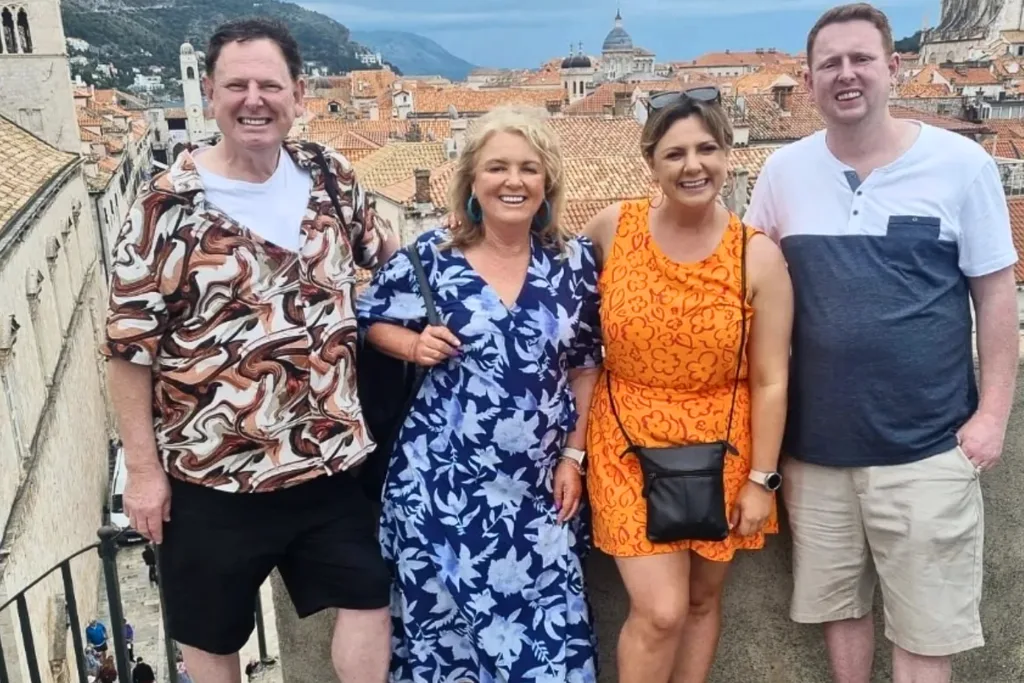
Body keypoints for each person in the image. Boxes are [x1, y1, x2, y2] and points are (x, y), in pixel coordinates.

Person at [102, 17, 399, 683]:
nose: (254, 99)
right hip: (212, 476)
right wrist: (144, 475)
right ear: (210, 94)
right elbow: (128, 349)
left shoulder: (329, 173)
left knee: (369, 600)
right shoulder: (163, 209)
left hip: (328, 463)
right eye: (237, 85)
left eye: (270, 84)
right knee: (210, 639)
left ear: (299, 93)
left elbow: (390, 260)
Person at [744, 4, 1020, 683]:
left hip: (927, 445)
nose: (846, 75)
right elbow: (747, 283)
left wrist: (992, 416)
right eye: (829, 64)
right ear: (806, 81)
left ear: (893, 67)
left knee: (926, 628)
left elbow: (996, 295)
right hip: (816, 453)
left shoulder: (961, 165)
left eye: (861, 59)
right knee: (841, 611)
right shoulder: (783, 172)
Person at [356, 104, 601, 682]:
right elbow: (369, 319)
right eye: (496, 168)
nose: (512, 181)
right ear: (471, 181)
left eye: (528, 168)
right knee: (444, 656)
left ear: (548, 183)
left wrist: (574, 455)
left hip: (538, 493)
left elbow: (586, 365)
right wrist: (413, 347)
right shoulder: (431, 260)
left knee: (554, 654)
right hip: (439, 492)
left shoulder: (573, 264)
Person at [582, 87, 793, 683]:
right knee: (661, 610)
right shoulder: (612, 230)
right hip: (624, 443)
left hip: (722, 453)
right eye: (674, 154)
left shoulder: (757, 258)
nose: (692, 165)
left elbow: (773, 378)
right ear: (651, 163)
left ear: (729, 153)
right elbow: (538, 272)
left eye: (706, 148)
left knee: (701, 603)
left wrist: (762, 480)